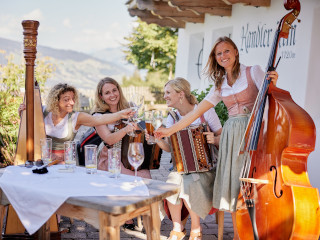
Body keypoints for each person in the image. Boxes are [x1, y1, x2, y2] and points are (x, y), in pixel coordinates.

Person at [154, 36, 279, 240]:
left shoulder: (253, 71)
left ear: (236, 52)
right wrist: (168, 131)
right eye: (219, 53)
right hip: (232, 136)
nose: (223, 56)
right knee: (234, 187)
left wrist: (273, 83)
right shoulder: (220, 83)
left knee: (253, 186)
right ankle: (239, 235)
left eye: (227, 51)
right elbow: (195, 113)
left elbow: (269, 98)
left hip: (253, 131)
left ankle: (259, 231)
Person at [147, 77, 222, 240]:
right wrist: (158, 139)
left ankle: (196, 229)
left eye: (168, 92)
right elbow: (169, 148)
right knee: (171, 184)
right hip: (180, 167)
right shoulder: (172, 117)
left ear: (181, 94)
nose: (165, 96)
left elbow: (221, 137)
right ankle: (177, 228)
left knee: (190, 183)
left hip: (205, 168)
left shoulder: (205, 111)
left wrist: (213, 139)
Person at [92, 77, 151, 230]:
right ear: (101, 97)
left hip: (129, 151)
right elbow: (109, 139)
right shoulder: (98, 116)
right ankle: (126, 217)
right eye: (107, 92)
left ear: (119, 90)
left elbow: (139, 128)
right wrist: (125, 129)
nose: (112, 95)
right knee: (126, 178)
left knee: (145, 176)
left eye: (114, 90)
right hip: (111, 154)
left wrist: (143, 127)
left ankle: (141, 213)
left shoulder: (130, 107)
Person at [18, 83, 133, 161]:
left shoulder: (76, 117)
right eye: (66, 99)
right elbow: (28, 128)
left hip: (62, 164)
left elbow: (98, 119)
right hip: (40, 160)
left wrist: (121, 114)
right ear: (56, 101)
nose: (72, 102)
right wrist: (22, 113)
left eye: (73, 99)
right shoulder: (42, 111)